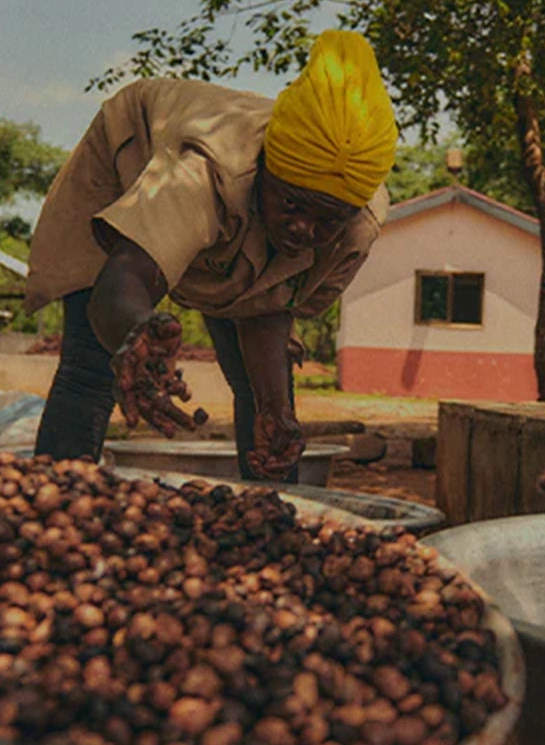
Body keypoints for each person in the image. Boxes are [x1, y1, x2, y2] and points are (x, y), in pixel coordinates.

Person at [25, 29, 398, 482]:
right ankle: (53, 510)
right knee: (93, 364)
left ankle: (274, 523)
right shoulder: (203, 174)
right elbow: (125, 278)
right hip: (128, 163)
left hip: (238, 212)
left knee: (267, 397)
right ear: (265, 173)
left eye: (326, 220)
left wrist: (275, 407)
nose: (304, 229)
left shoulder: (357, 227)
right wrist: (134, 334)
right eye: (292, 204)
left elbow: (272, 306)